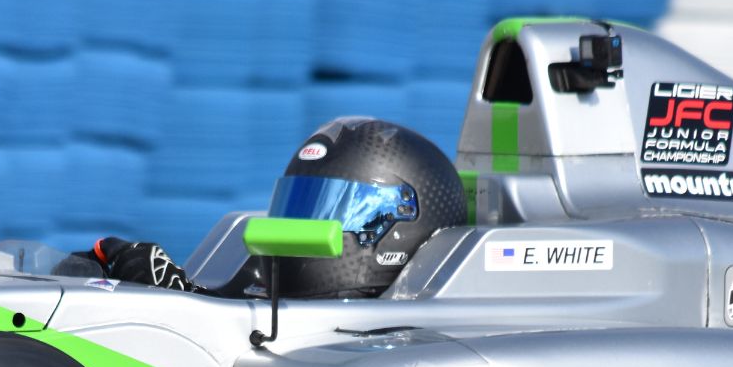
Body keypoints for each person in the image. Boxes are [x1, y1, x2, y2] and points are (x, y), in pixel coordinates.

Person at [66, 117, 469, 297]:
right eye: (300, 205)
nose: (298, 226)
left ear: (398, 222)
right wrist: (167, 289)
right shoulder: (271, 295)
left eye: (335, 207)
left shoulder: (396, 340)